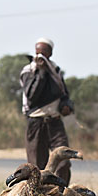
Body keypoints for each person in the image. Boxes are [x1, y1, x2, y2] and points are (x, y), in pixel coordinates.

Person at [20, 37, 75, 184]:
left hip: (55, 122)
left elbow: (64, 94)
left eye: (44, 51)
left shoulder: (55, 71)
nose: (41, 55)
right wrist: (41, 73)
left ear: (50, 53)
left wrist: (66, 106)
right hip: (36, 123)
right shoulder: (28, 71)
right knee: (37, 167)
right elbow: (32, 96)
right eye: (39, 51)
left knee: (63, 161)